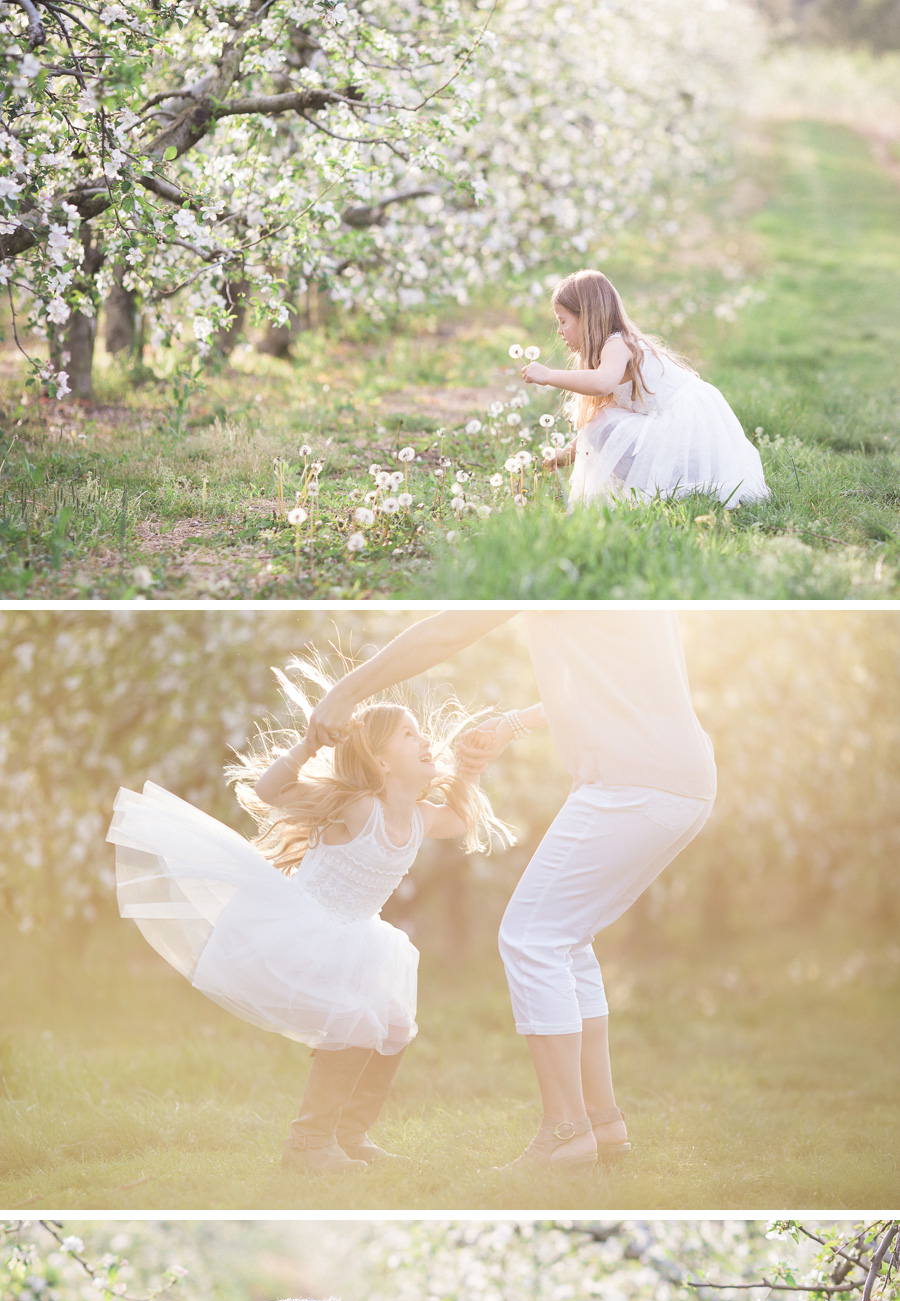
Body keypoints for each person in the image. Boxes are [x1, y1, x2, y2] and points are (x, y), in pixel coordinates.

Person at [304, 609, 718, 1172]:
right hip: (678, 777)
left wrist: (345, 691)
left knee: (531, 937)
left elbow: (453, 628)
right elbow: (614, 687)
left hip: (630, 783)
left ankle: (565, 1132)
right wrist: (512, 724)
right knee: (566, 941)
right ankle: (602, 1122)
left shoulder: (560, 551)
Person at [105, 663, 510, 1174]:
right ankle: (308, 1144)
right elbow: (268, 793)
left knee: (395, 1025)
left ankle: (349, 1134)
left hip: (357, 935)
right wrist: (307, 746)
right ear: (382, 762)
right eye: (410, 735)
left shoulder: (422, 815)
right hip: (305, 928)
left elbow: (457, 820)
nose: (426, 739)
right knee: (356, 1023)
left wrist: (469, 771)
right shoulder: (359, 807)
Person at [527, 268, 768, 508]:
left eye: (563, 321)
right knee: (602, 421)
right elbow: (595, 420)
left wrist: (549, 375)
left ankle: (659, 486)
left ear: (587, 317)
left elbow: (601, 384)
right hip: (682, 426)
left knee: (605, 425)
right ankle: (667, 485)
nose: (559, 331)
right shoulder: (614, 349)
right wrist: (566, 455)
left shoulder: (616, 345)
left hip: (687, 427)